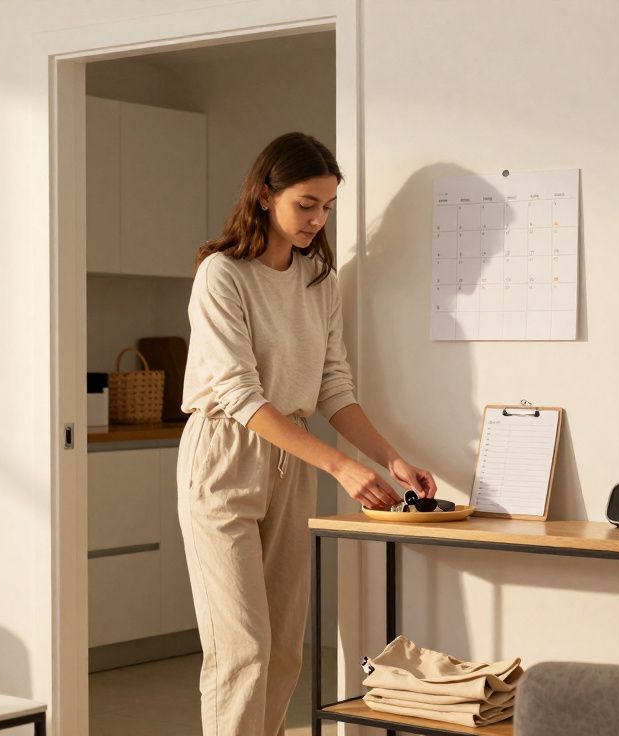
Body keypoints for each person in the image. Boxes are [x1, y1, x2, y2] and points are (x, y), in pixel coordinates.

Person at [177, 131, 439, 735]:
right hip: (225, 459)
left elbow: (333, 387)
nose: (317, 220)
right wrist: (341, 467)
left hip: (292, 464)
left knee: (286, 650)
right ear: (265, 195)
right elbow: (242, 398)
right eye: (306, 205)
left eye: (327, 207)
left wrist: (389, 459)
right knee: (240, 650)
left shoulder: (318, 281)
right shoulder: (221, 275)